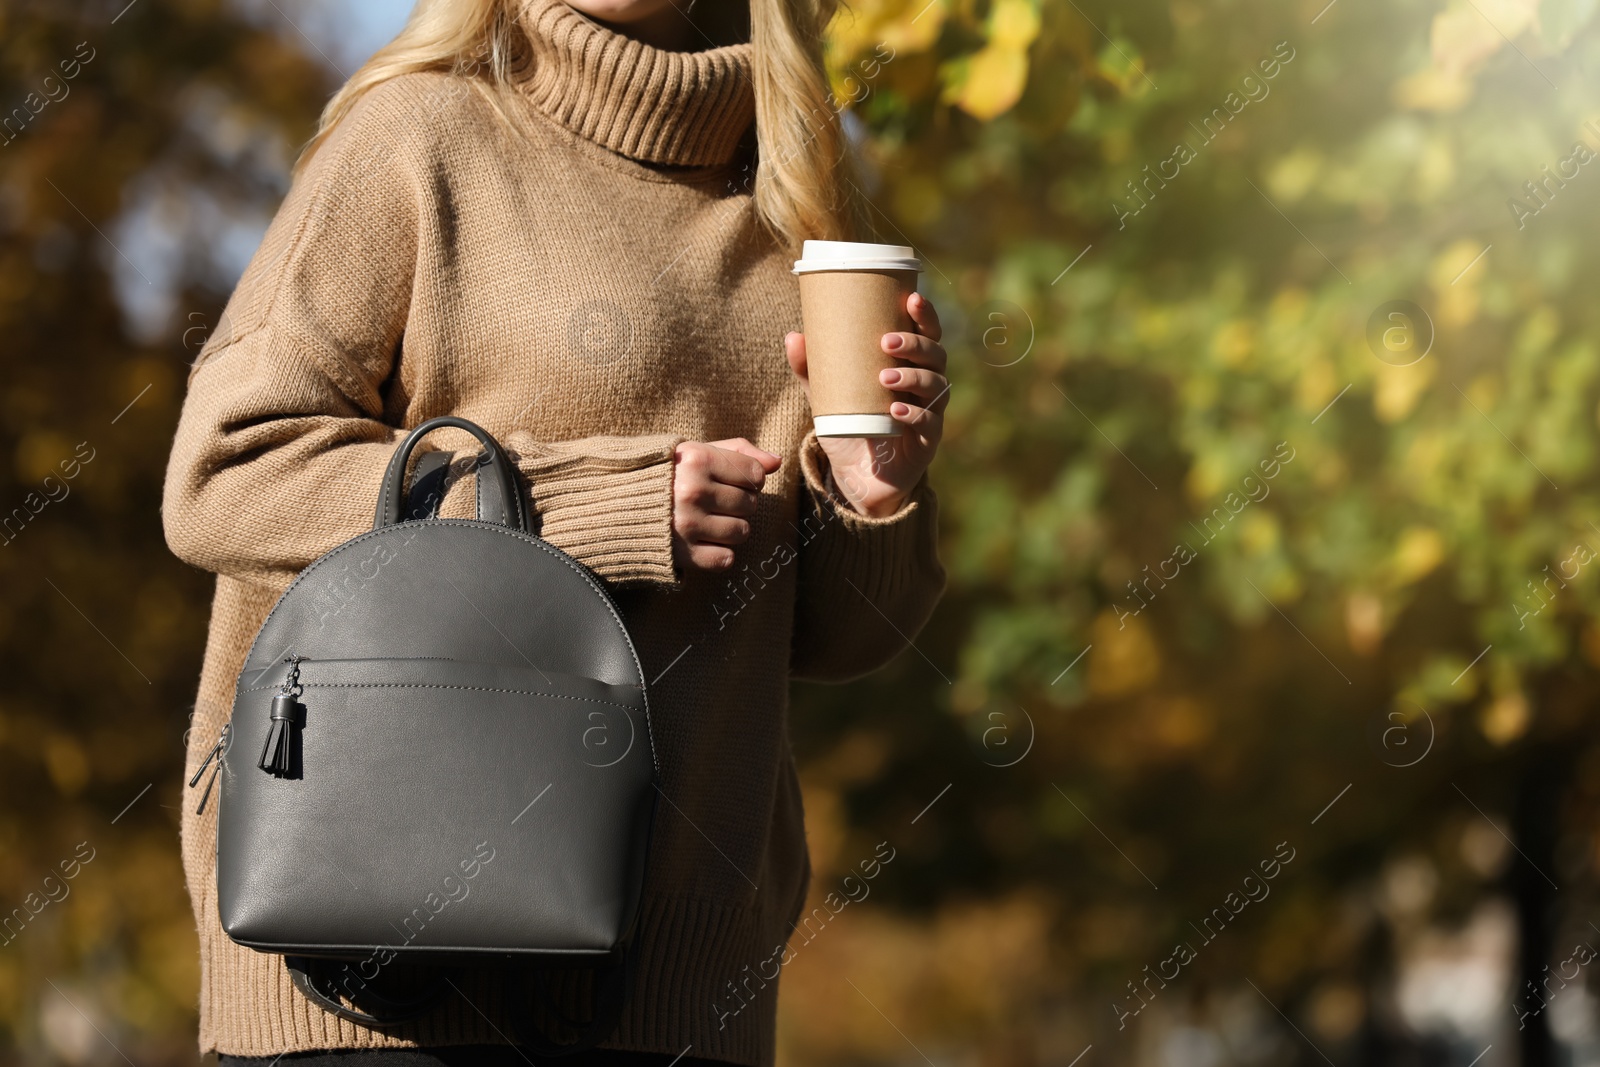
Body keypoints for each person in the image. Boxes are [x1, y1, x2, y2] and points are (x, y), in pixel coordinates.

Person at [161, 0, 948, 1061]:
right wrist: (583, 505)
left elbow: (844, 641)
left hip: (680, 996)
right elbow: (224, 472)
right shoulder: (415, 137)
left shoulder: (805, 198)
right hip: (374, 974)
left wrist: (873, 489)